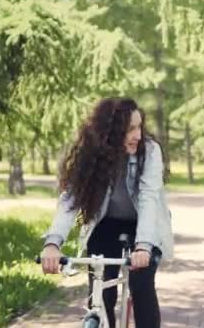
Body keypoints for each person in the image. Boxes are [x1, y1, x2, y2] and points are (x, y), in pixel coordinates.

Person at [40, 97, 174, 328]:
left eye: (139, 126)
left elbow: (148, 198)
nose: (138, 135)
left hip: (143, 227)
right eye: (130, 128)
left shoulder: (150, 151)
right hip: (106, 225)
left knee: (142, 287)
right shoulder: (89, 153)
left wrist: (143, 246)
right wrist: (52, 243)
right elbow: (70, 199)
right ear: (111, 131)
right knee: (100, 296)